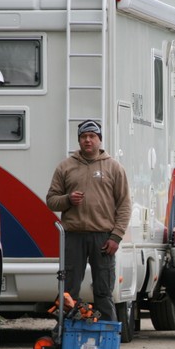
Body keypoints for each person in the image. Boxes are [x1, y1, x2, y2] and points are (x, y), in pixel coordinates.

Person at [46, 120, 132, 322]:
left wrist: (116, 237)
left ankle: (108, 335)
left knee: (103, 290)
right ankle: (66, 334)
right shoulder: (65, 167)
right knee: (68, 291)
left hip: (103, 238)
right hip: (73, 236)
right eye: (84, 136)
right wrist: (68, 200)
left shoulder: (114, 167)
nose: (88, 140)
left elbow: (125, 205)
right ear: (79, 140)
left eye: (92, 136)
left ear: (99, 139)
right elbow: (51, 201)